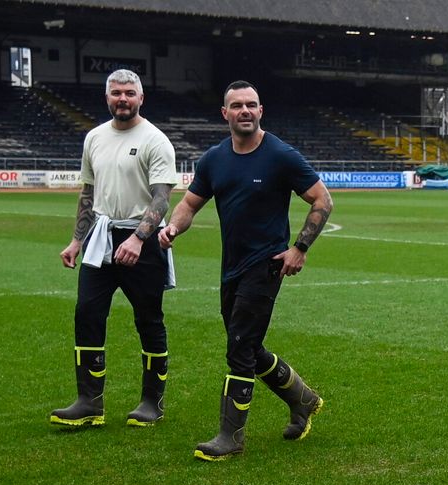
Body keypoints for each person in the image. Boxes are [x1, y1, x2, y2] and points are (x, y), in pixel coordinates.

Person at [160, 80, 333, 460]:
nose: (245, 111)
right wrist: (174, 226)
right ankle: (302, 400)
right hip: (231, 267)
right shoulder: (214, 159)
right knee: (249, 347)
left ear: (261, 111)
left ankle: (231, 437)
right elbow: (189, 204)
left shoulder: (281, 155)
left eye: (252, 104)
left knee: (239, 347)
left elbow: (322, 198)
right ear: (225, 113)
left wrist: (299, 248)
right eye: (237, 105)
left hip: (266, 264)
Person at [50, 69, 179, 428]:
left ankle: (151, 402)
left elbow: (162, 197)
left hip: (144, 240)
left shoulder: (156, 140)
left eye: (129, 93)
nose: (123, 99)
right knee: (87, 313)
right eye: (116, 93)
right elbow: (88, 193)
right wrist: (77, 239)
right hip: (99, 238)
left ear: (141, 98)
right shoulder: (94, 138)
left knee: (148, 320)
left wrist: (139, 238)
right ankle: (89, 402)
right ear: (107, 97)